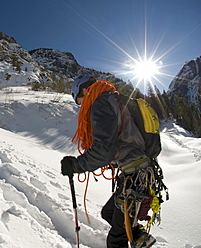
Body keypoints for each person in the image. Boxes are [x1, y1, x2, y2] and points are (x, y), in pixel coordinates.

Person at [61, 75, 155, 248]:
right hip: (140, 172)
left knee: (115, 240)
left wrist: (75, 166)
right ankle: (137, 236)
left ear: (84, 90)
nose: (81, 107)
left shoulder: (101, 103)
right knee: (108, 213)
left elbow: (103, 151)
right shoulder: (117, 99)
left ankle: (134, 235)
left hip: (133, 176)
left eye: (79, 101)